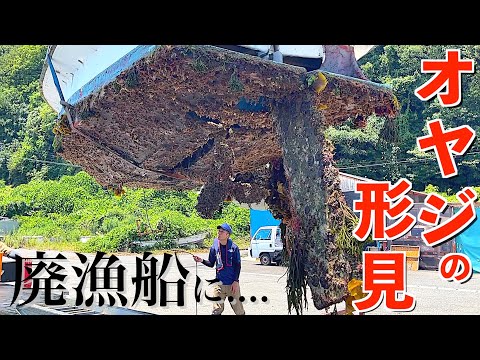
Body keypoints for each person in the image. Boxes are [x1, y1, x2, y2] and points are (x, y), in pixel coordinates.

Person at [193, 223, 245, 315]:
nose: (219, 233)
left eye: (222, 231)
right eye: (219, 231)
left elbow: (238, 265)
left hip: (232, 284)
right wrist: (201, 260)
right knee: (216, 311)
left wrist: (236, 281)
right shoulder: (214, 248)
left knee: (239, 311)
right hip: (219, 284)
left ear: (227, 235)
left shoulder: (234, 248)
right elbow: (211, 263)